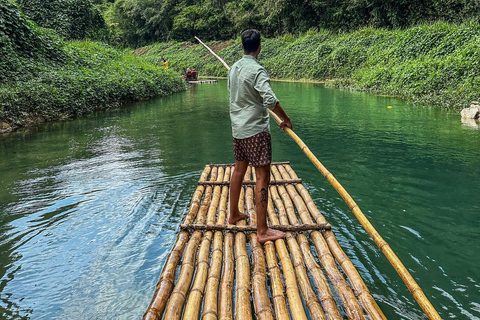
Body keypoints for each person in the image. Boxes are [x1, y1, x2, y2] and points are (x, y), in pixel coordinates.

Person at [227, 29, 292, 243]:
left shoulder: (234, 68)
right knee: (263, 176)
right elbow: (270, 100)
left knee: (239, 170)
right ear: (260, 46)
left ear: (242, 46)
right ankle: (262, 230)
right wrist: (286, 119)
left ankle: (233, 214)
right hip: (256, 130)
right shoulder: (257, 71)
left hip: (238, 129)